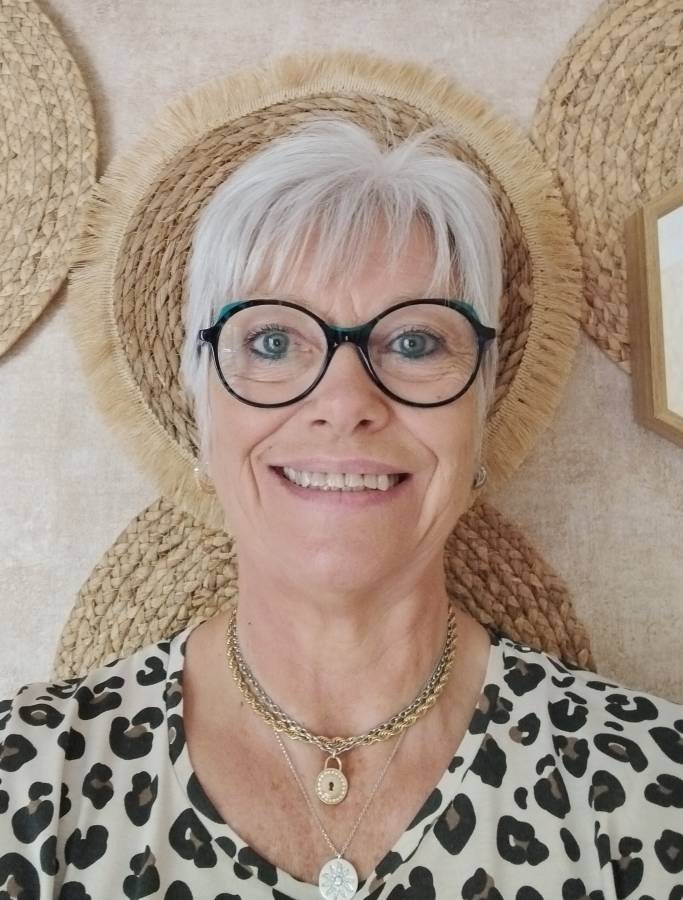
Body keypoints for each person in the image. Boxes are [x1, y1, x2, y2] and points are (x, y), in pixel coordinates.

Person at [1, 118, 681, 900]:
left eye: (414, 343)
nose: (344, 400)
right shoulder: (25, 783)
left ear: (480, 414)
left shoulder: (651, 791)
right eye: (272, 342)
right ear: (203, 414)